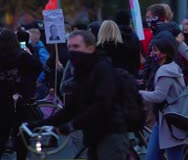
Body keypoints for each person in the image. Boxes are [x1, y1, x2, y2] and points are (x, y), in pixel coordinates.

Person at [36, 30, 129, 160]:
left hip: (110, 135)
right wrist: (40, 124)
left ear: (90, 48)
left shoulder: (102, 68)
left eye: (76, 47)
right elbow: (71, 108)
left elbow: (101, 106)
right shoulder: (81, 72)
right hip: (93, 136)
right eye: (69, 47)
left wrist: (72, 125)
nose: (72, 51)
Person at [0, 30, 42, 160]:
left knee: (0, 133)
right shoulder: (22, 55)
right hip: (19, 98)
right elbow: (37, 66)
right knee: (20, 133)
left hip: (1, 98)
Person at [139, 38, 188, 159]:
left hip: (170, 123)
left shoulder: (165, 71)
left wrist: (137, 93)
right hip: (166, 121)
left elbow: (158, 96)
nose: (152, 53)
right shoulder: (173, 67)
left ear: (164, 53)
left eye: (155, 51)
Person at [115, 10, 141, 76]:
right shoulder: (134, 36)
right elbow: (137, 57)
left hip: (118, 75)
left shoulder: (114, 36)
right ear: (128, 21)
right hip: (133, 74)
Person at [28, 28, 50, 99]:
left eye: (28, 37)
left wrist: (39, 80)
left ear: (34, 38)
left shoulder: (41, 49)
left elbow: (45, 67)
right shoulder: (33, 48)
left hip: (40, 84)